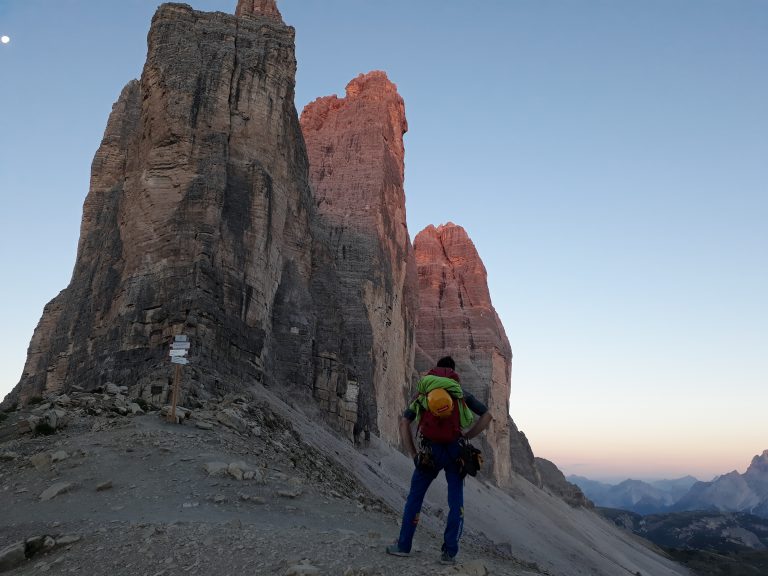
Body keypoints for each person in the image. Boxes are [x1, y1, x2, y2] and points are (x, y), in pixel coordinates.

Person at [386, 355, 492, 564]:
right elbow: (487, 416)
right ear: (453, 372)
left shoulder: (425, 393)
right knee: (456, 502)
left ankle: (403, 546)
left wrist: (414, 454)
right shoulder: (460, 393)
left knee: (415, 498)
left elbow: (404, 423)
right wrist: (467, 436)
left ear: (436, 370)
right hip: (455, 452)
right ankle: (449, 553)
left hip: (430, 452)